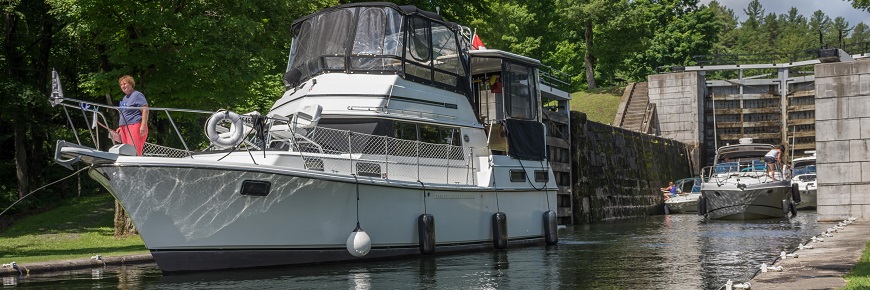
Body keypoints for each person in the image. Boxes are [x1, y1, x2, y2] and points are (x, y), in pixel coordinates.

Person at [115, 75, 149, 156]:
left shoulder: (137, 95)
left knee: (134, 151)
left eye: (125, 84)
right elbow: (125, 113)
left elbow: (145, 110)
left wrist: (143, 125)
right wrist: (121, 127)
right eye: (121, 85)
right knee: (126, 152)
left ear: (131, 84)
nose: (123, 86)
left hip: (135, 125)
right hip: (124, 127)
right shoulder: (124, 98)